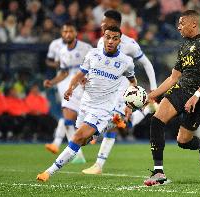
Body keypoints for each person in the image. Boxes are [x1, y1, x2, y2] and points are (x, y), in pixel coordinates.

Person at [36, 26, 137, 182]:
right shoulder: (92, 54)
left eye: (114, 38)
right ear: (103, 37)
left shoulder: (126, 62)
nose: (110, 41)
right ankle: (107, 125)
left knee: (77, 137)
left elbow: (133, 83)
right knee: (83, 140)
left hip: (103, 108)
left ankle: (49, 172)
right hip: (85, 104)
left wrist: (129, 105)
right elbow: (80, 74)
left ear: (119, 41)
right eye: (108, 37)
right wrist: (71, 87)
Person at [143, 10, 200, 186]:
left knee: (183, 141)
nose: (178, 27)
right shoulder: (184, 46)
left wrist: (197, 95)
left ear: (193, 23)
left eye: (181, 23)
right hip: (181, 89)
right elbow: (173, 77)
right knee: (156, 120)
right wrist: (152, 95)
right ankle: (158, 173)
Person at [82, 10, 157, 175]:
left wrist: (154, 89)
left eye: (104, 21)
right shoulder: (102, 42)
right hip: (106, 91)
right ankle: (145, 111)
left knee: (114, 125)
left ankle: (98, 164)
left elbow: (147, 64)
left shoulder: (129, 44)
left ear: (113, 22)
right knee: (118, 124)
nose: (101, 24)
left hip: (123, 91)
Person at [43, 21, 92, 163]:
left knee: (88, 120)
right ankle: (77, 154)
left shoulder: (85, 47)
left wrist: (87, 77)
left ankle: (93, 135)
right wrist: (51, 82)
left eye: (70, 31)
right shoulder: (62, 52)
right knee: (67, 121)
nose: (68, 34)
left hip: (86, 87)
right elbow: (64, 73)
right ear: (62, 34)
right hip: (70, 87)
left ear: (75, 33)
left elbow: (95, 64)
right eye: (65, 32)